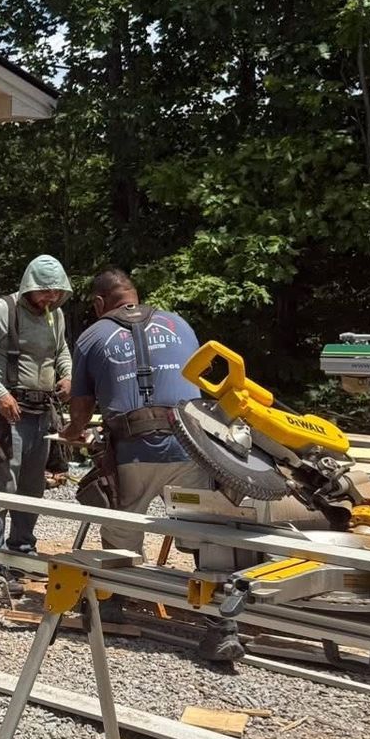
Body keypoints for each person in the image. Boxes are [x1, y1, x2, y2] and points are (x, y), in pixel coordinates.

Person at [60, 267, 242, 662]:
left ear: (98, 303)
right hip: (191, 446)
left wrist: (73, 431)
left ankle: (112, 604)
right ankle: (220, 627)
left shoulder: (92, 336)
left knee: (122, 526)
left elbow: (81, 407)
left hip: (134, 451)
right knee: (204, 535)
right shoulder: (178, 324)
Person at [0, 255, 72, 552]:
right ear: (29, 287)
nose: (51, 297)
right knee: (1, 487)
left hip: (42, 412)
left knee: (32, 487)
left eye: (57, 292)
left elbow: (61, 349)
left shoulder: (55, 315)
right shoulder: (2, 311)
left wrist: (69, 375)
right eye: (45, 291)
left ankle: (22, 548)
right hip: (6, 413)